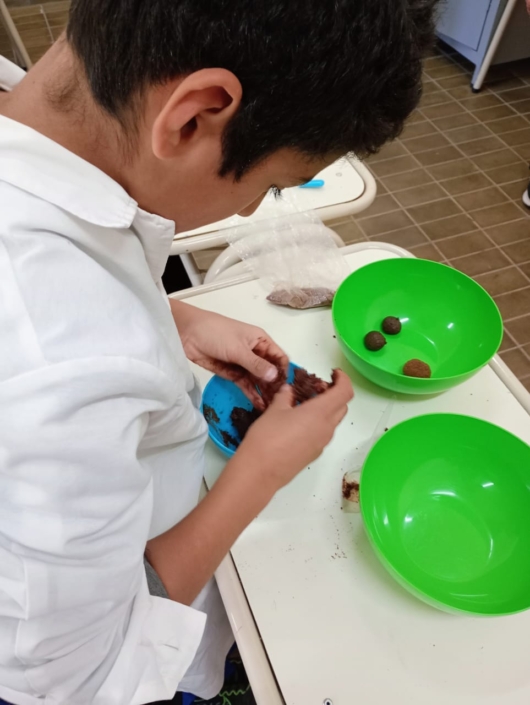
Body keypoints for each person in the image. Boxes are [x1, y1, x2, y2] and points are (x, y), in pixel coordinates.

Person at [0, 1, 437, 704]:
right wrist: (261, 468)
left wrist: (168, 318)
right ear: (194, 115)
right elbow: (79, 673)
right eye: (270, 186)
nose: (252, 210)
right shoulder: (60, 372)